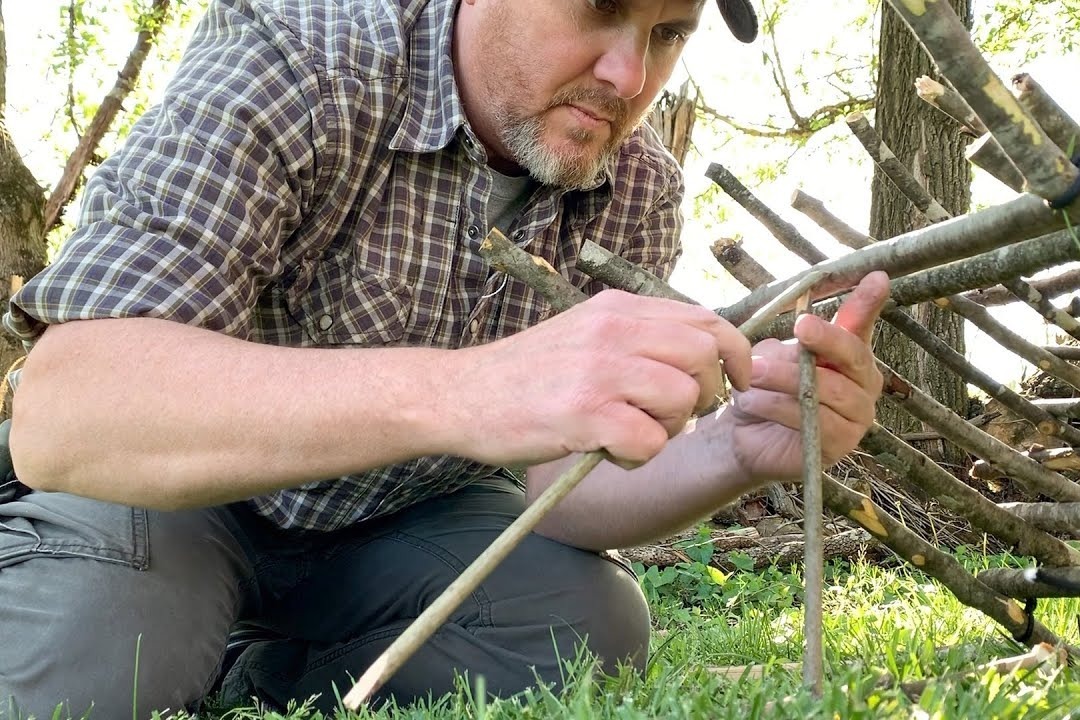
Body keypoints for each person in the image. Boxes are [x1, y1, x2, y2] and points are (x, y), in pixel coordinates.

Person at [0, 0, 889, 716]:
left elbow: (558, 485)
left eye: (666, 33)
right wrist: (468, 390)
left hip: (395, 523)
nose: (628, 74)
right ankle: (153, 621)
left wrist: (734, 447)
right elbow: (69, 408)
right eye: (600, 8)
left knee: (589, 622)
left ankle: (250, 673)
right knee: (95, 656)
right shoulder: (296, 52)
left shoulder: (638, 180)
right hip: (175, 496)